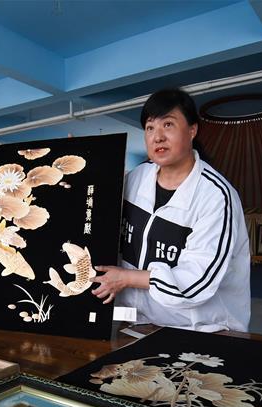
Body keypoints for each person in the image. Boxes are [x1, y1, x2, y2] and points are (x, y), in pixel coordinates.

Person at [92, 89, 250, 332]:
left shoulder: (216, 197)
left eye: (168, 124)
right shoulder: (136, 178)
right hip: (138, 323)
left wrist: (126, 278)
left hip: (200, 330)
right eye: (150, 127)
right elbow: (101, 218)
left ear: (192, 130)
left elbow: (196, 283)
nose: (157, 137)